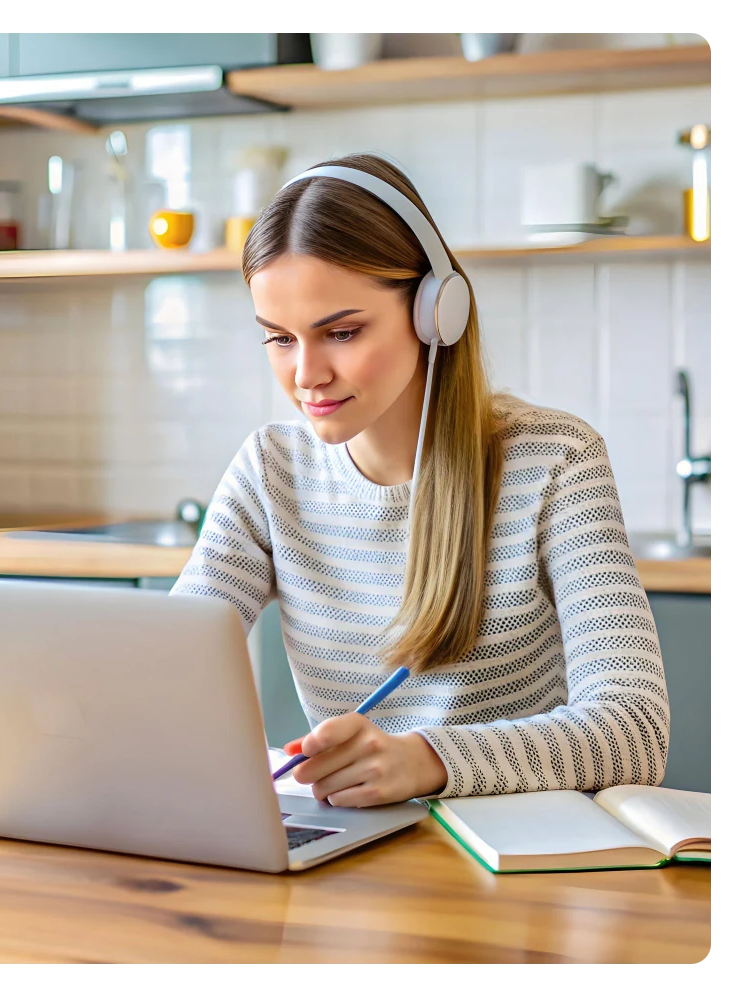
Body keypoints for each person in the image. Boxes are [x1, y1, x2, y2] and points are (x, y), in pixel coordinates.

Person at [168, 152, 668, 807]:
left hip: (518, 863)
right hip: (357, 857)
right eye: (280, 340)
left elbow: (635, 730)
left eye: (341, 332)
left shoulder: (555, 461)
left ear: (437, 311)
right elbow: (164, 671)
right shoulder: (270, 473)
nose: (306, 374)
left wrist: (427, 760)